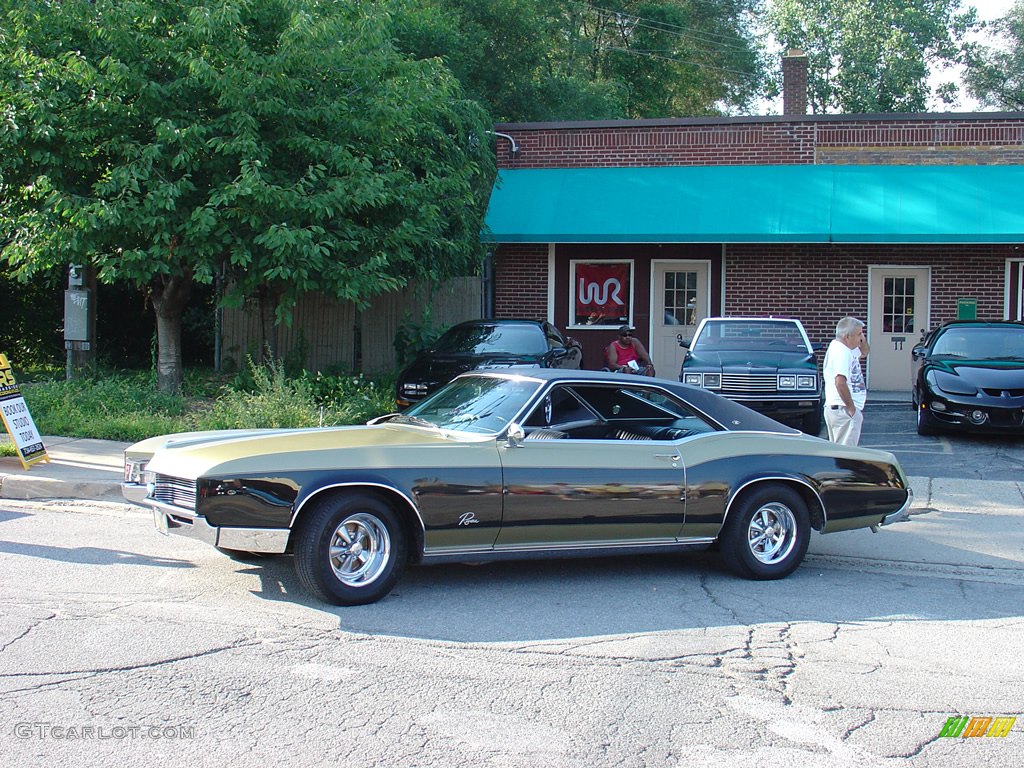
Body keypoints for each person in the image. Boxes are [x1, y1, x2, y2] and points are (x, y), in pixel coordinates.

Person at [822, 316, 869, 445]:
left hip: (841, 410)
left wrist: (861, 337)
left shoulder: (848, 349)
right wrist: (851, 408)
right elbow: (840, 382)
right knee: (846, 455)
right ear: (847, 337)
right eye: (859, 334)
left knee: (841, 452)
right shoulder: (841, 352)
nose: (861, 337)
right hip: (843, 410)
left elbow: (864, 352)